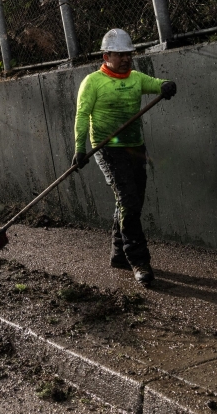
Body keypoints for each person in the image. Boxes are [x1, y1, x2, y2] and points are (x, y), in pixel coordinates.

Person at [71, 29, 176, 285]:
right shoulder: (93, 82)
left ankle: (118, 254)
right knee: (128, 201)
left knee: (132, 201)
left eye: (129, 54)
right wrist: (80, 148)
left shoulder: (136, 78)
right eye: (120, 55)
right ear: (106, 56)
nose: (126, 59)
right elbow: (82, 115)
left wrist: (166, 85)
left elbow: (155, 84)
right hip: (107, 149)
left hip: (134, 147)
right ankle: (139, 261)